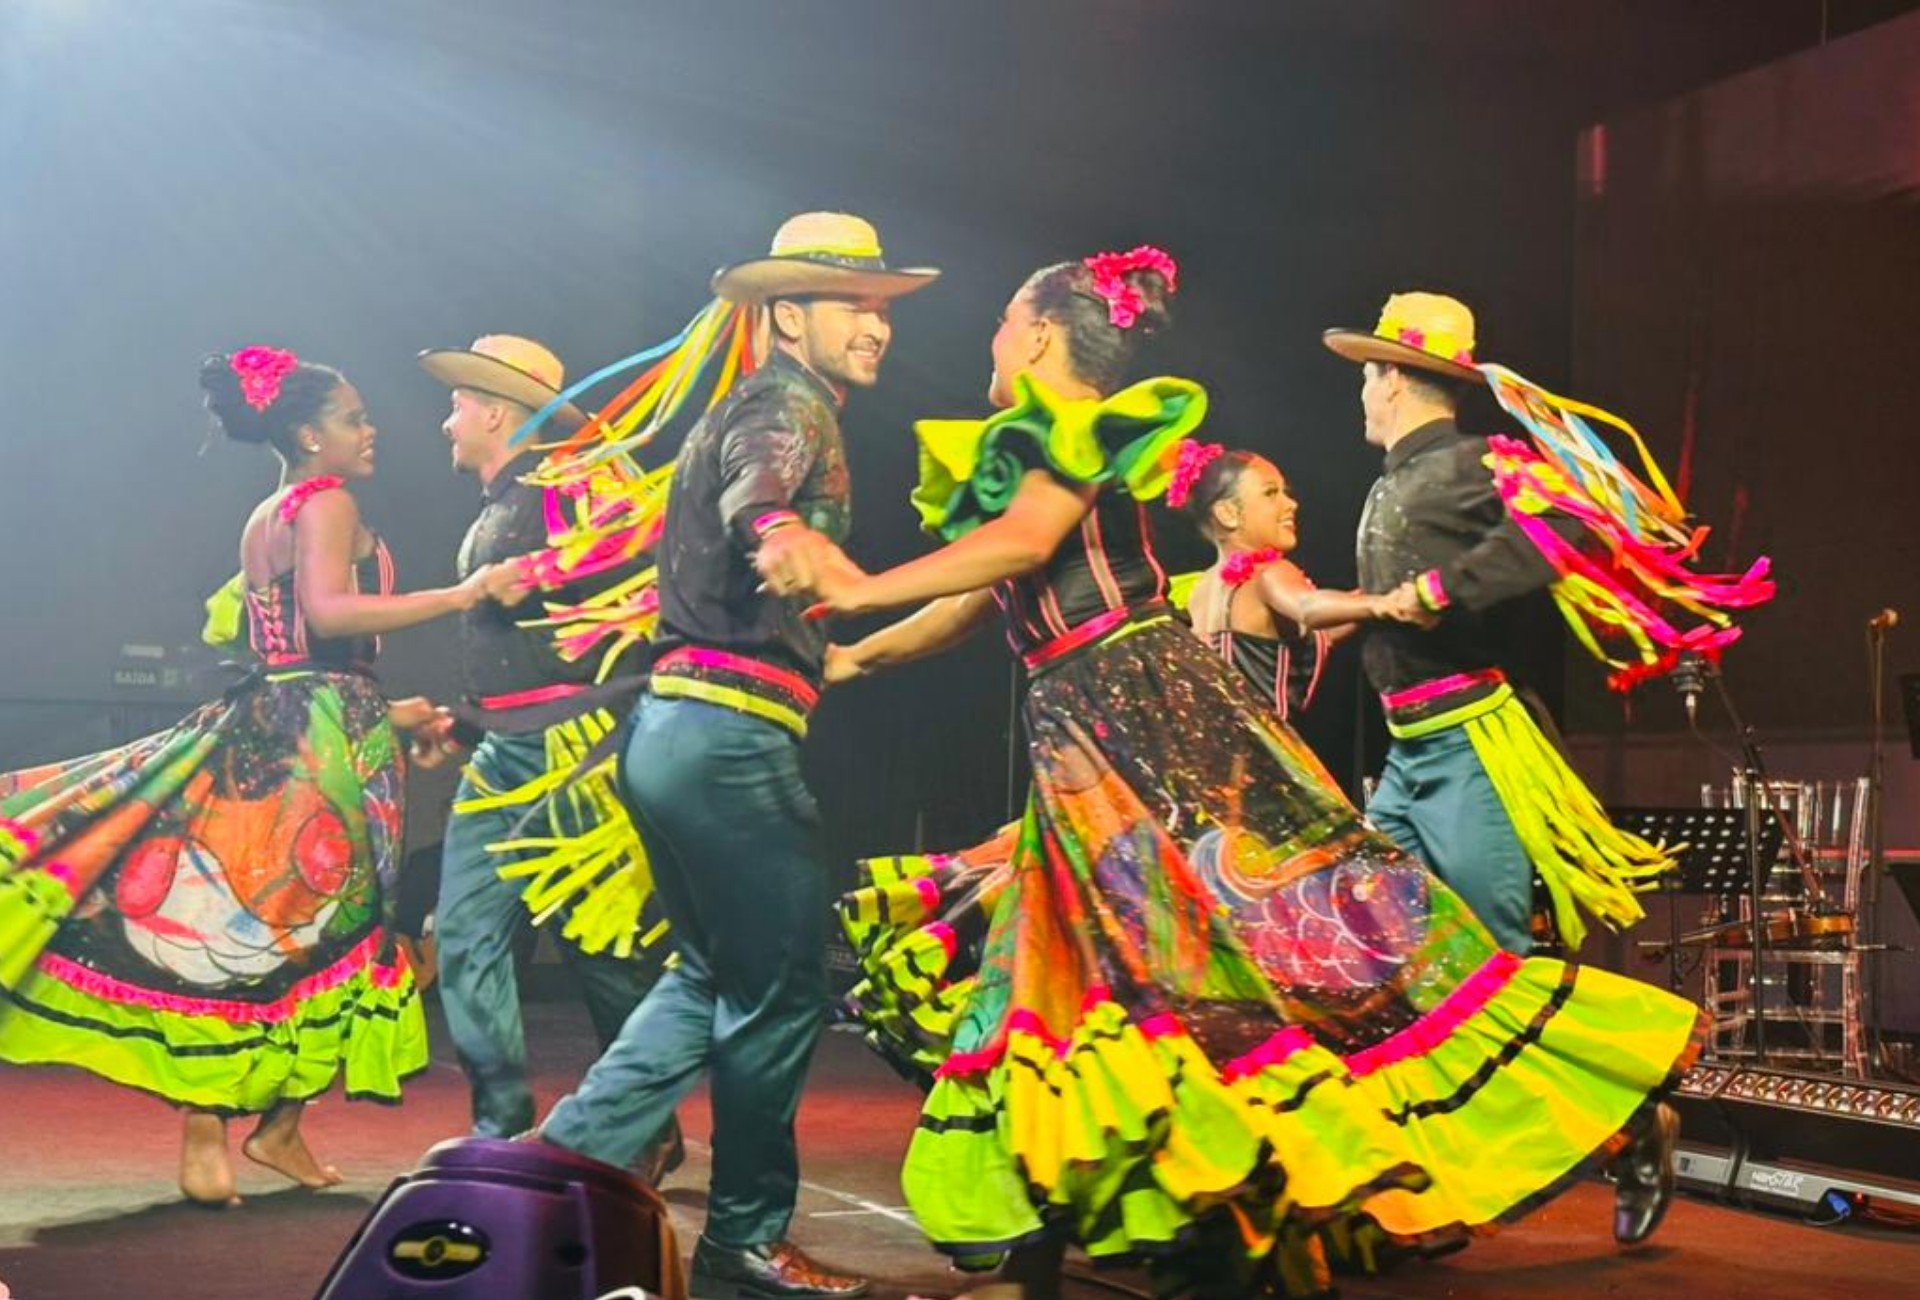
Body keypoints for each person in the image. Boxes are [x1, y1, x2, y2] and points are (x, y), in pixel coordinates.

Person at [810, 248, 1700, 1299]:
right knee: (1126, 968)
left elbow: (1020, 548)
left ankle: (1608, 1106)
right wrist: (855, 652)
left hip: (1146, 714)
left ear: (1042, 335)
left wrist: (856, 589)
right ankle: (1125, 1203)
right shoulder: (1036, 450)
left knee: (1337, 945)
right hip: (1091, 725)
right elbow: (989, 593)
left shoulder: (1074, 432)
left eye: (1005, 322)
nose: (993, 342)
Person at [0, 347, 520, 1206]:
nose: (370, 429)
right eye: (354, 418)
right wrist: (464, 594)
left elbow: (288, 653)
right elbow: (330, 614)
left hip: (303, 722)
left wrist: (390, 713)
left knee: (266, 923)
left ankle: (273, 1130)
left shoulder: (271, 510)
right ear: (310, 434)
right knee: (297, 925)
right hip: (317, 748)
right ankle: (226, 1133)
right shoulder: (328, 501)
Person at [533, 212, 937, 1300]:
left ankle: (558, 1163)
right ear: (786, 313)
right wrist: (778, 533)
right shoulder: (782, 402)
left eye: (883, 309)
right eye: (854, 305)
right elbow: (757, 489)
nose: (876, 326)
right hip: (727, 741)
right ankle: (745, 1241)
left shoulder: (770, 403)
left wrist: (827, 652)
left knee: (712, 973)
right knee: (782, 991)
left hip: (675, 732)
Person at [1323, 292, 1687, 956]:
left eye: (1366, 378)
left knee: (1496, 948)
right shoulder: (1391, 482)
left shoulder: (1469, 463)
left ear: (1393, 378)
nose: (1362, 396)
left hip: (1470, 749)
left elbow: (1573, 520)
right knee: (1376, 930)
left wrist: (1444, 588)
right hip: (1408, 752)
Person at [415, 335, 679, 1172]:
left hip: (577, 747)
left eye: (457, 403)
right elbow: (520, 642)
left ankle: (641, 1122)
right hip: (505, 747)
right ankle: (502, 1125)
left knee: (601, 949)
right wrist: (467, 722)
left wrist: (549, 569)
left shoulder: (577, 482)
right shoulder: (500, 500)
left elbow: (649, 569)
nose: (445, 420)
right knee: (462, 934)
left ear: (494, 412)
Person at [1170, 442, 1380, 722]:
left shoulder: (1198, 590)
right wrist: (1391, 602)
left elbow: (1303, 639)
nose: (1291, 503)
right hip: (1261, 753)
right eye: (1271, 493)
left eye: (1285, 493)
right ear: (1228, 513)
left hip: (1212, 755)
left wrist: (1370, 596)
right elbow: (1308, 607)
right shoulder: (1268, 572)